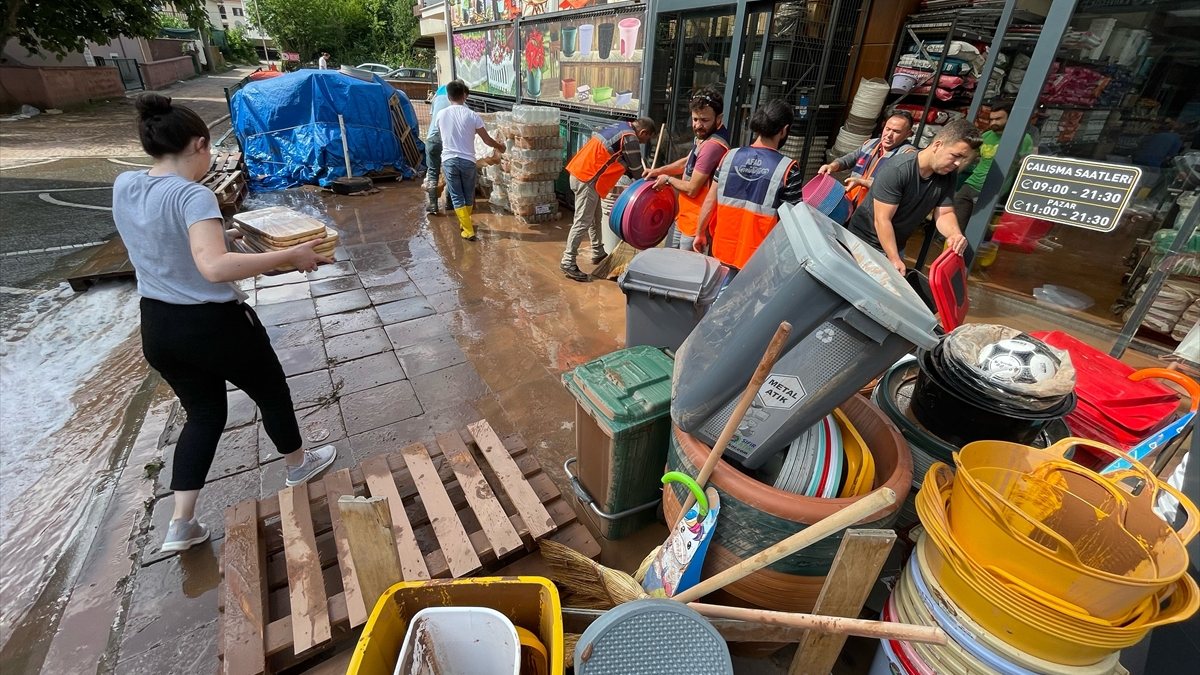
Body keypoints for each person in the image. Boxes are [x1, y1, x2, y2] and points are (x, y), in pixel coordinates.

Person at [113, 94, 337, 553]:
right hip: (212, 324)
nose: (211, 159)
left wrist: (228, 233)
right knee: (270, 390)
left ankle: (181, 523)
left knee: (205, 413)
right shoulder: (194, 195)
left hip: (158, 325)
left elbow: (162, 240)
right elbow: (213, 267)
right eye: (209, 150)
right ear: (199, 143)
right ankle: (298, 463)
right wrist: (292, 256)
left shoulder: (126, 186)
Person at [846, 118, 982, 274]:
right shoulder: (898, 169)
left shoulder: (948, 174)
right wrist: (894, 258)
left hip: (896, 246)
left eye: (963, 159)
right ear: (937, 145)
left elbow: (945, 212)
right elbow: (882, 220)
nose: (958, 163)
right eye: (955, 155)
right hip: (863, 242)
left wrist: (954, 234)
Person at [694, 100, 805, 271]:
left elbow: (710, 200)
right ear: (783, 131)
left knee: (719, 295)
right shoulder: (788, 169)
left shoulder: (729, 157)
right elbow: (791, 222)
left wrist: (700, 233)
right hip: (759, 261)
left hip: (722, 251)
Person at [561, 116, 656, 282]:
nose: (643, 143)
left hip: (582, 174)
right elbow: (637, 172)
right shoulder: (630, 138)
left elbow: (617, 159)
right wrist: (651, 185)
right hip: (587, 179)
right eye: (646, 139)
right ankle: (568, 261)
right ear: (643, 132)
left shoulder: (619, 127)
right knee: (583, 221)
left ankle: (598, 252)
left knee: (594, 218)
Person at [645, 87, 731, 251]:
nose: (698, 125)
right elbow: (688, 162)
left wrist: (668, 179)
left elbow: (692, 189)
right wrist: (658, 171)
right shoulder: (704, 136)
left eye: (704, 120)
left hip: (696, 224)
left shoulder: (713, 146)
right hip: (684, 217)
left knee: (681, 272)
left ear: (719, 118)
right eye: (695, 119)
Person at [436, 80, 506, 241]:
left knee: (456, 195)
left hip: (449, 160)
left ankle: (467, 228)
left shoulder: (441, 115)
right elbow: (487, 140)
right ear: (464, 96)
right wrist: (500, 147)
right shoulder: (472, 115)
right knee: (468, 194)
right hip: (468, 160)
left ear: (448, 96)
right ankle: (466, 226)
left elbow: (443, 136)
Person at [952, 100, 1034, 229]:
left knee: (976, 230)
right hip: (971, 185)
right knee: (955, 226)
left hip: (993, 190)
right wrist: (952, 173)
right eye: (991, 119)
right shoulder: (987, 135)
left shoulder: (1023, 138)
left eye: (998, 119)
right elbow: (969, 158)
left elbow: (1027, 164)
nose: (993, 123)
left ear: (1010, 118)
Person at [819, 110, 917, 209]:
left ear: (908, 134)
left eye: (896, 131)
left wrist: (862, 183)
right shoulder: (871, 144)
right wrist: (831, 166)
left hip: (874, 211)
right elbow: (849, 159)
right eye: (887, 129)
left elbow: (895, 187)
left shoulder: (907, 155)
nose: (889, 135)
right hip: (851, 204)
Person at [424, 82, 451, 215]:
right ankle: (451, 203)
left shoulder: (436, 99)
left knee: (433, 172)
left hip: (432, 139)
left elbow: (432, 117)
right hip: (448, 140)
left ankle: (433, 204)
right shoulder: (458, 101)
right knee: (449, 171)